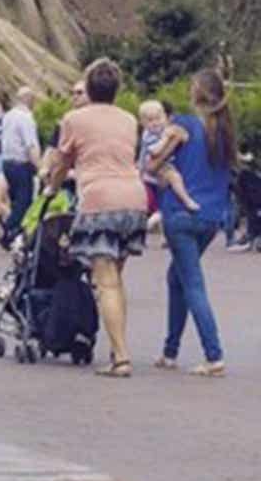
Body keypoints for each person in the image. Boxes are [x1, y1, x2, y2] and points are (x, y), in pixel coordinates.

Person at [53, 57, 148, 379]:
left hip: (99, 200)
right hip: (134, 199)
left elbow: (62, 161)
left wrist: (51, 189)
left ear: (90, 88)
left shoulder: (74, 119)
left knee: (105, 282)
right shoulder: (129, 120)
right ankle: (116, 344)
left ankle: (121, 358)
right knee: (116, 281)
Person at [148, 67, 235, 378]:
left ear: (195, 93)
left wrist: (159, 168)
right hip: (211, 217)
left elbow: (154, 162)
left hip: (181, 216)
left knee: (193, 283)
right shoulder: (225, 134)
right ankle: (170, 350)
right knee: (178, 277)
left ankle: (214, 355)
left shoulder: (183, 126)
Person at [137, 98, 197, 218]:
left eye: (158, 118)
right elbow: (155, 152)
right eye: (150, 120)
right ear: (143, 123)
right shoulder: (148, 135)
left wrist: (179, 135)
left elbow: (184, 136)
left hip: (160, 168)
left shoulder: (164, 129)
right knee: (175, 177)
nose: (155, 123)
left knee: (167, 187)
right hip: (154, 170)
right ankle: (186, 200)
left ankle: (160, 213)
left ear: (165, 117)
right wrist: (166, 139)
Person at [0, 87, 41, 239]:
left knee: (15, 201)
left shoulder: (8, 116)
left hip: (7, 164)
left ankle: (14, 234)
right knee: (24, 204)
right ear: (29, 100)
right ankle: (9, 232)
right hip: (21, 165)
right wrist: (40, 167)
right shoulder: (26, 118)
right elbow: (31, 146)